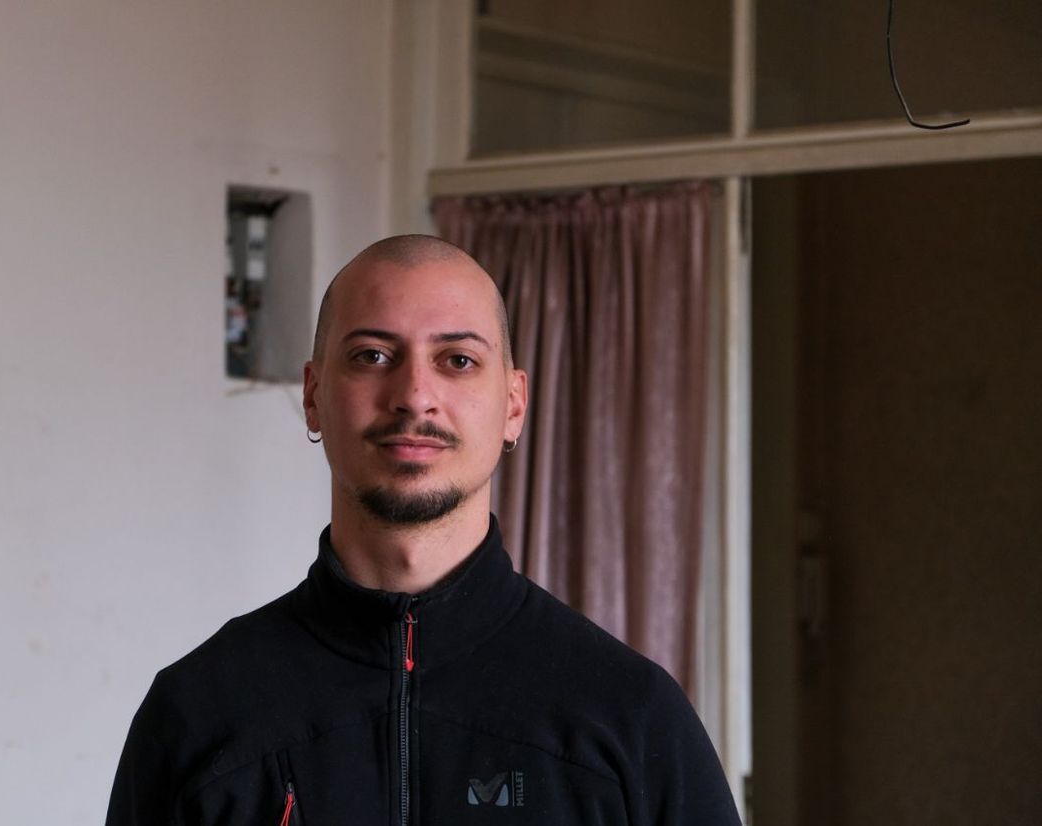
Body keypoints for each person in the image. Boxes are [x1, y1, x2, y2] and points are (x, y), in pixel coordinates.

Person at [105, 235, 740, 825]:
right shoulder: (199, 712)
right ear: (314, 393)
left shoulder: (630, 718)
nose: (414, 394)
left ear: (513, 405)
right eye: (372, 356)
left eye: (458, 360)